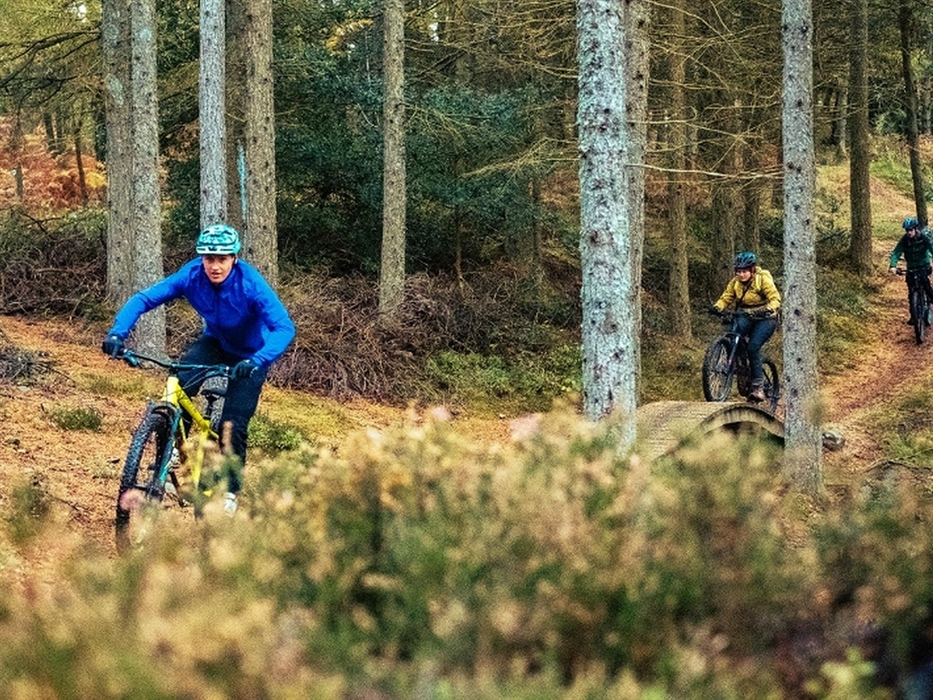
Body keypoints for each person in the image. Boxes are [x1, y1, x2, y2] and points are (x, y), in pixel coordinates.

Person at [101, 223, 296, 515]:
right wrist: (118, 333)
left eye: (222, 259)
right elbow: (144, 299)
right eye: (209, 258)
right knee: (178, 387)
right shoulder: (192, 275)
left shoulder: (250, 284)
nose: (215, 266)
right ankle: (166, 460)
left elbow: (284, 328)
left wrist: (257, 361)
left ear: (234, 258)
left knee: (233, 424)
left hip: (251, 355)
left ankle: (229, 491)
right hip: (215, 343)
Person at [710, 251, 782, 403]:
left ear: (752, 270)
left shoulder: (762, 280)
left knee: (753, 347)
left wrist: (770, 308)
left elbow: (775, 298)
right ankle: (741, 369)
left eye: (744, 271)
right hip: (746, 315)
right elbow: (726, 297)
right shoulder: (735, 283)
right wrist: (717, 307)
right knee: (734, 335)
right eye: (738, 271)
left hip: (766, 318)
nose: (741, 275)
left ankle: (758, 387)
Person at [888, 216, 933, 325]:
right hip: (911, 268)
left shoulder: (923, 238)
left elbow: (932, 248)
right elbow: (896, 252)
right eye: (907, 230)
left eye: (910, 230)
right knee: (911, 291)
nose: (908, 232)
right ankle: (914, 316)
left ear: (915, 229)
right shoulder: (904, 240)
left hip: (923, 265)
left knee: (925, 283)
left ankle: (931, 299)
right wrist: (893, 266)